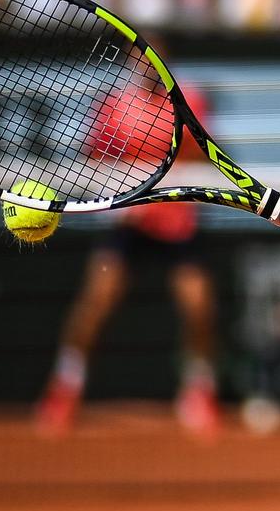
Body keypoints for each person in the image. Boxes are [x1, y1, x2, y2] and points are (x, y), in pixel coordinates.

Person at [37, 62, 220, 438]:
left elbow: (200, 156)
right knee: (95, 303)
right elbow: (95, 160)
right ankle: (66, 386)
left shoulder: (190, 102)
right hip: (129, 222)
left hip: (178, 221)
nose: (150, 66)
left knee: (199, 306)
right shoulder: (114, 106)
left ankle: (198, 391)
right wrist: (122, 197)